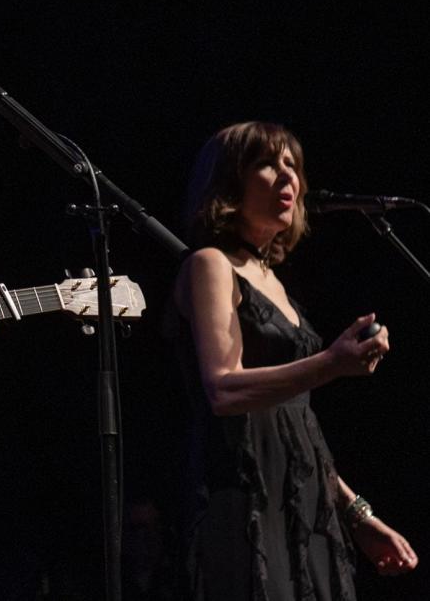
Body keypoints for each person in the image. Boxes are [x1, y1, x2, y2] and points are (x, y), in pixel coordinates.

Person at [172, 122, 418, 600]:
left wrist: (357, 515)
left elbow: (294, 418)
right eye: (268, 163)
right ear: (229, 182)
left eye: (293, 166)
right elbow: (224, 389)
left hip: (302, 499)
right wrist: (331, 362)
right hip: (244, 496)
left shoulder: (273, 281)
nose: (289, 178)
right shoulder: (211, 264)